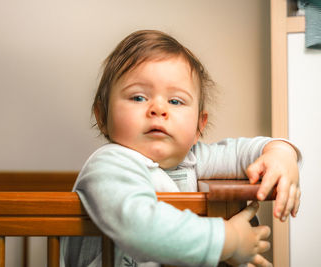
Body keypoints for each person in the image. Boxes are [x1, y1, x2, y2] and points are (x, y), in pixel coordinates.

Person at [61, 30, 301, 267]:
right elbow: (142, 228)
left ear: (199, 126)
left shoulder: (194, 159)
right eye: (138, 97)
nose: (158, 108)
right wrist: (228, 239)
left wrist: (281, 153)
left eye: (175, 101)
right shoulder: (109, 165)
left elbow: (243, 152)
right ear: (103, 116)